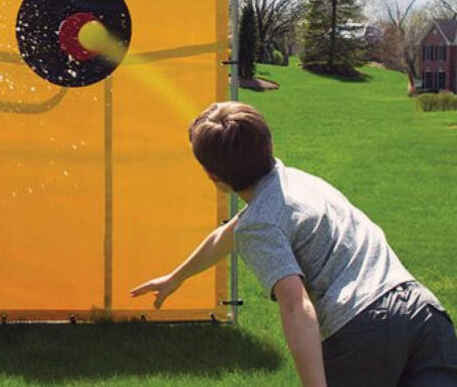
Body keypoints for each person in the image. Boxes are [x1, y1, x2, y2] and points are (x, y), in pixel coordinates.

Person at [130, 101, 457, 387]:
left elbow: (295, 306)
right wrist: (177, 277)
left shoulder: (260, 224)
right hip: (423, 313)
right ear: (267, 143)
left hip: (362, 328)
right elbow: (227, 234)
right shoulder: (298, 182)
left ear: (211, 175)